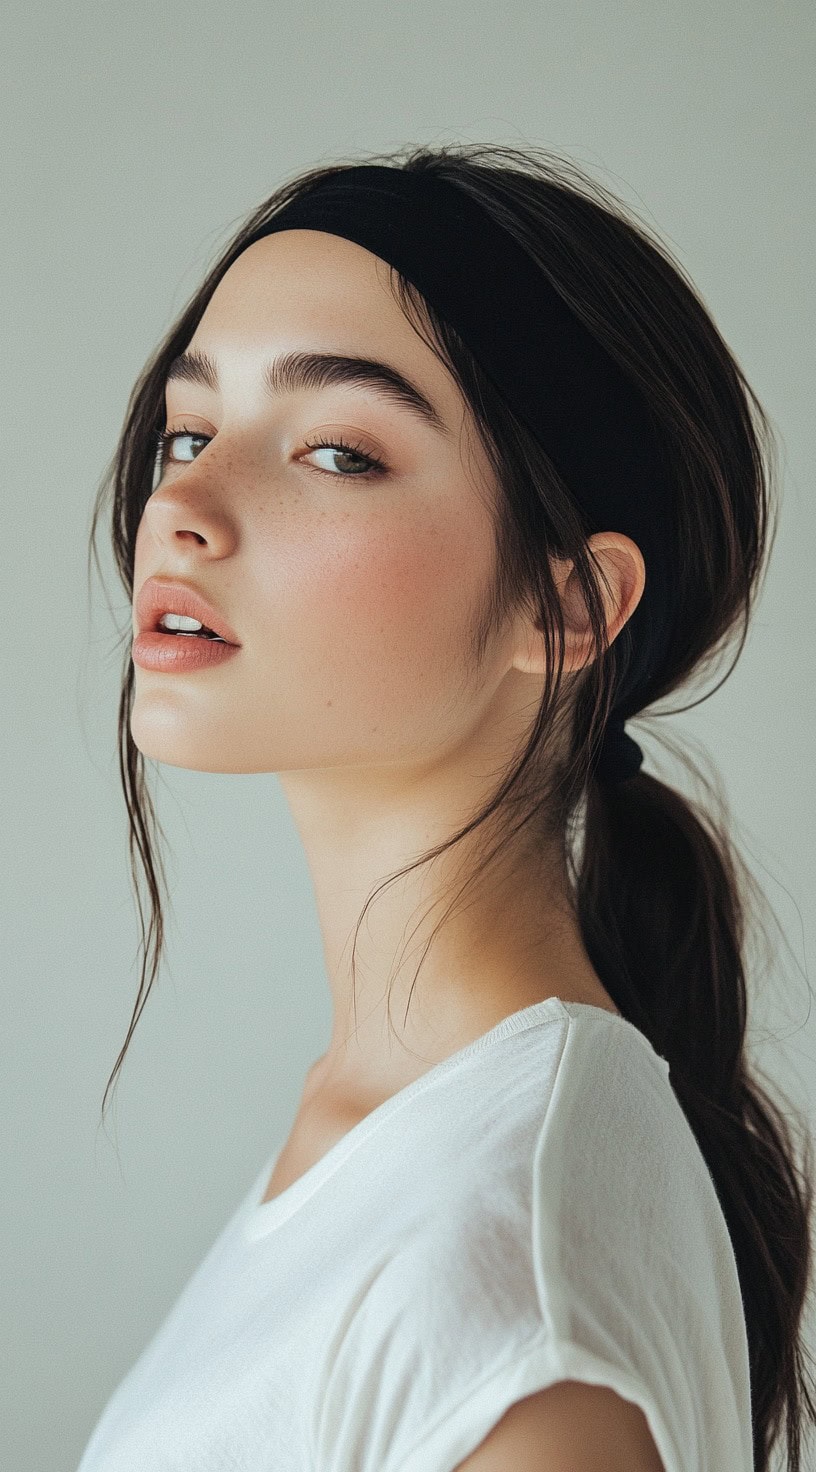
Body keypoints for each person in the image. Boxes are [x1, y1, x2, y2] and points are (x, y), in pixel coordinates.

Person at [78, 143, 815, 1472]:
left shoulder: (511, 1287)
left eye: (338, 451)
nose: (180, 504)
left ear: (567, 607)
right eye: (191, 429)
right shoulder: (405, 1133)